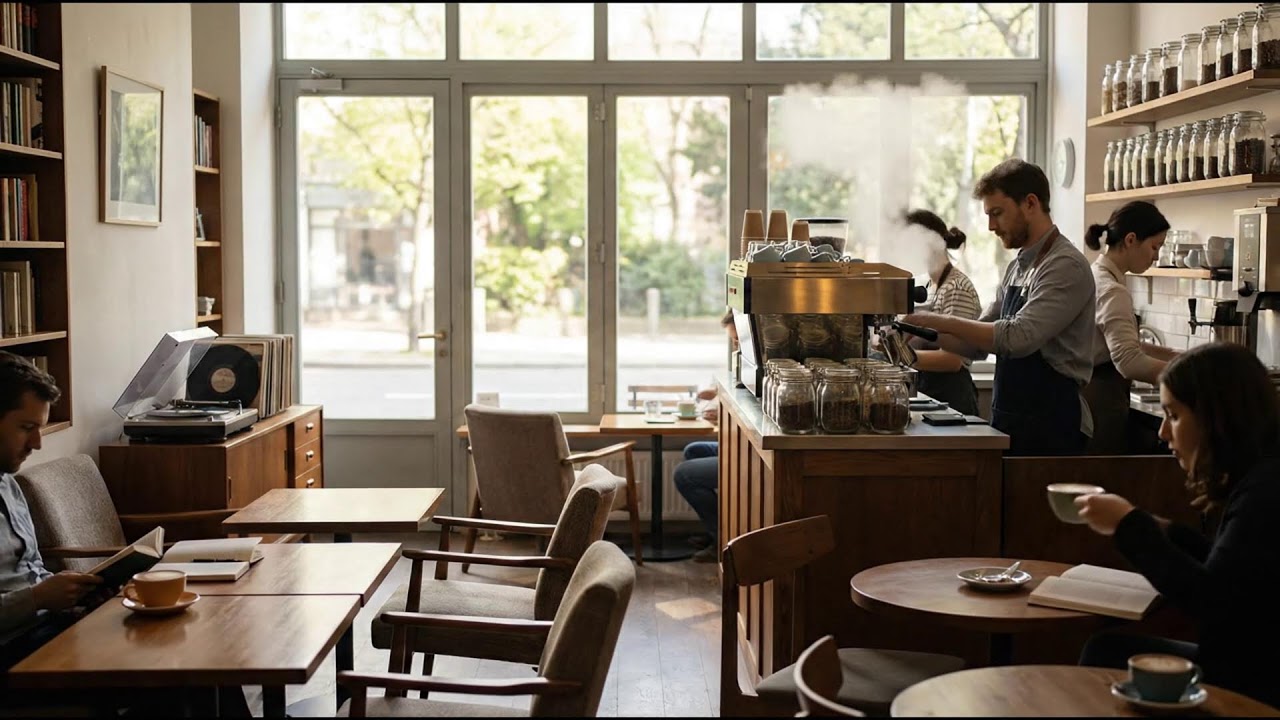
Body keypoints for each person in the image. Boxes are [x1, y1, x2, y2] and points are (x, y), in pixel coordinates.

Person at [1074, 342, 1280, 708]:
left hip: (1252, 682)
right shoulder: (1261, 478)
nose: (1162, 433)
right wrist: (1165, 530)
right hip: (1249, 664)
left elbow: (1210, 600)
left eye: (1174, 415)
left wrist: (1129, 525)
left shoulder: (1263, 493)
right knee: (1106, 647)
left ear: (1216, 417)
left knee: (1105, 652)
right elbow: (1233, 573)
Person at [903, 159, 1096, 455]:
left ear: (1030, 203)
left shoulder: (1064, 265)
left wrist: (937, 321)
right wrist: (917, 326)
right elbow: (977, 345)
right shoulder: (1018, 267)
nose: (991, 226)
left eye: (997, 213)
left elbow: (1018, 338)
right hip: (1013, 416)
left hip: (1053, 425)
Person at [0, 352, 105, 673]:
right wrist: (39, 598)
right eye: (26, 427)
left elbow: (29, 570)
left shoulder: (8, 484)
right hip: (12, 652)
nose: (37, 443)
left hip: (45, 628)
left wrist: (75, 592)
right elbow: (34, 594)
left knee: (185, 645)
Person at [1082, 201, 1181, 455]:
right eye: (1154, 247)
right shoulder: (1112, 290)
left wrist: (1178, 357)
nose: (1156, 256)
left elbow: (1117, 343)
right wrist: (1186, 376)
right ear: (1130, 240)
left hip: (1088, 397)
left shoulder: (1096, 274)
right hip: (1100, 400)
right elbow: (1129, 361)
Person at [898, 209, 982, 417]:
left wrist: (899, 357)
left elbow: (952, 360)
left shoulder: (957, 288)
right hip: (931, 391)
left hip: (952, 396)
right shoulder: (927, 285)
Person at [674, 310, 737, 563]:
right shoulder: (745, 359)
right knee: (694, 450)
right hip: (734, 440)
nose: (735, 346)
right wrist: (719, 398)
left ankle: (720, 539)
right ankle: (716, 531)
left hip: (752, 452)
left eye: (737, 340)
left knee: (684, 474)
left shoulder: (761, 360)